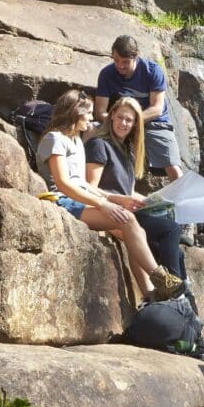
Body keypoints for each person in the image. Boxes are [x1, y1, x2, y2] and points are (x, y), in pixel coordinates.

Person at [35, 89, 184, 301]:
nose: (92, 117)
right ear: (74, 113)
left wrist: (116, 200)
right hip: (62, 202)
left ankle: (150, 294)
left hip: (80, 201)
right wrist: (103, 204)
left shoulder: (76, 140)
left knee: (134, 232)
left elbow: (83, 184)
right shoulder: (54, 138)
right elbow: (64, 184)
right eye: (87, 113)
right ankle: (162, 279)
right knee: (127, 219)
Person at [84, 96, 187, 293]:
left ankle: (167, 292)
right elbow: (89, 187)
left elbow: (125, 189)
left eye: (129, 120)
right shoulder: (99, 145)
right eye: (120, 117)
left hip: (127, 208)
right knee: (170, 229)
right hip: (109, 210)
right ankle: (174, 287)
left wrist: (151, 200)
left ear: (135, 124)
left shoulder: (127, 150)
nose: (123, 123)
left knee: (175, 246)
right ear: (112, 115)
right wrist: (120, 199)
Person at [94, 35, 182, 181]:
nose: (120, 66)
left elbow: (157, 108)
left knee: (174, 168)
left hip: (153, 122)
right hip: (119, 122)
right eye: (116, 61)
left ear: (136, 57)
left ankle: (182, 198)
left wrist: (132, 121)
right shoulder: (106, 74)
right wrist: (118, 121)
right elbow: (100, 112)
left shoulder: (152, 71)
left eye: (125, 62)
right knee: (94, 133)